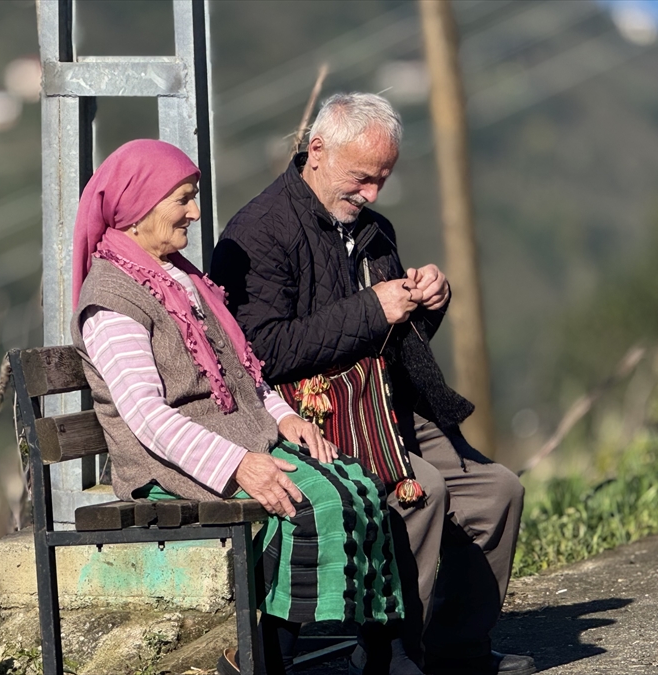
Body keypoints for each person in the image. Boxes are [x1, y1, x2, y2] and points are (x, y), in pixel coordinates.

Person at [69, 138, 420, 675]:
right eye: (183, 198)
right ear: (139, 206)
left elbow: (245, 372)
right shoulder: (114, 300)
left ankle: (377, 653)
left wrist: (285, 418)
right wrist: (238, 465)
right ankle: (262, 660)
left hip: (237, 437)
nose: (195, 211)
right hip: (168, 460)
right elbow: (147, 416)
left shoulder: (181, 278)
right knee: (312, 502)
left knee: (361, 486)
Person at [211, 94, 534, 675]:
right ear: (317, 152)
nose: (372, 195)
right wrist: (371, 310)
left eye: (382, 180)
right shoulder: (261, 232)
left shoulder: (372, 231)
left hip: (385, 408)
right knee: (424, 490)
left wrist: (426, 302)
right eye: (362, 178)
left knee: (497, 491)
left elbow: (391, 338)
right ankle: (389, 656)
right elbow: (259, 353)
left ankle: (457, 650)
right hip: (310, 419)